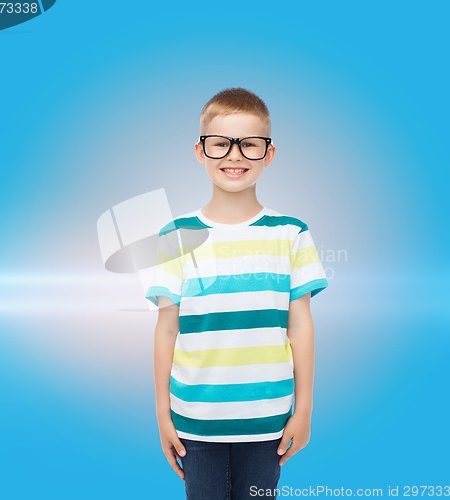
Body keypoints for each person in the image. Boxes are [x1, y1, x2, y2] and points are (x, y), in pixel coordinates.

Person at [144, 87, 329, 499]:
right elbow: (166, 330)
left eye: (249, 144)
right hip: (195, 419)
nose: (234, 155)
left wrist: (305, 409)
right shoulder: (174, 236)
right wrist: (162, 413)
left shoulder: (291, 233)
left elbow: (300, 324)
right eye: (220, 144)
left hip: (269, 420)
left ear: (269, 153)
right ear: (200, 151)